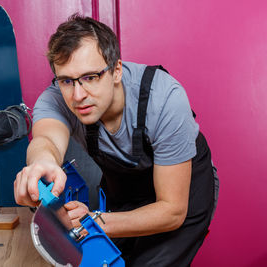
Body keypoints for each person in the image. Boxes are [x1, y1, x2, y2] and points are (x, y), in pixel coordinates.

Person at [14, 14, 217, 266]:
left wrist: (93, 221)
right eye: (66, 80)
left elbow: (171, 211)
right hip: (126, 190)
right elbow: (47, 140)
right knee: (99, 259)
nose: (78, 95)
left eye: (90, 77)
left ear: (116, 71)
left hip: (180, 196)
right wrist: (41, 164)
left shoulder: (164, 99)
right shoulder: (56, 98)